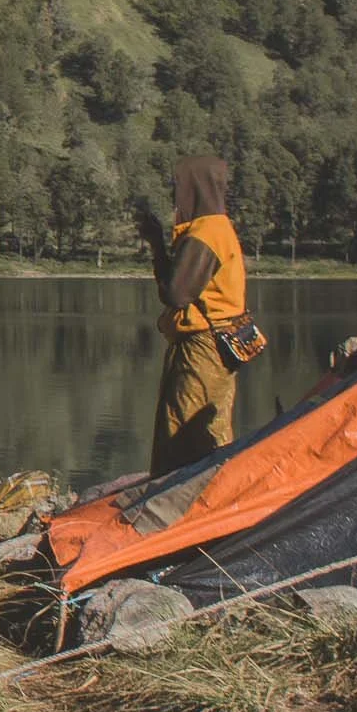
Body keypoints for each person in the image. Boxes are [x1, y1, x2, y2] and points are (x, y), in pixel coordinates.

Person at [136, 155, 248, 476]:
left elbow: (176, 293)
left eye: (179, 186)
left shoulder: (206, 233)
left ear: (195, 188)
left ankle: (180, 506)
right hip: (217, 345)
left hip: (203, 349)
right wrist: (159, 242)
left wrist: (159, 249)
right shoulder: (216, 228)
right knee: (211, 429)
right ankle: (211, 500)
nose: (175, 195)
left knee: (185, 431)